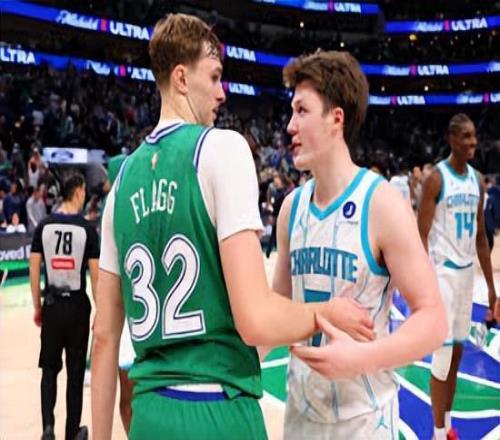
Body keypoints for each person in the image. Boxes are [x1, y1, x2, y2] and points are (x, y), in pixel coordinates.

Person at [91, 14, 373, 440]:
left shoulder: (121, 181)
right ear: (181, 78)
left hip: (149, 414)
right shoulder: (223, 149)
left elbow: (104, 337)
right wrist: (322, 313)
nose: (223, 92)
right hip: (217, 407)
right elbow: (254, 320)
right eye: (215, 76)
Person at [271, 50, 447, 439]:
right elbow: (276, 315)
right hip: (299, 416)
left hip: (365, 421)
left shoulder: (382, 203)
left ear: (336, 118)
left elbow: (434, 318)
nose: (290, 126)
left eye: (302, 111)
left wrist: (361, 358)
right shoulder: (290, 208)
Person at [418, 113, 499, 440]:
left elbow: (481, 237)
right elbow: (420, 236)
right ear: (452, 139)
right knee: (441, 358)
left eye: (474, 136)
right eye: (466, 136)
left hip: (466, 278)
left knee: (456, 356)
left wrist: (491, 288)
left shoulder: (477, 180)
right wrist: (422, 285)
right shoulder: (436, 179)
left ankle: (447, 424)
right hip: (442, 277)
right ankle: (438, 434)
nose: (473, 142)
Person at [30, 173, 99, 440]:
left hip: (52, 304)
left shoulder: (44, 226)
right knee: (75, 373)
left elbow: (34, 269)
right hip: (78, 307)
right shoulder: (86, 229)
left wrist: (37, 305)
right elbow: (95, 276)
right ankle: (72, 432)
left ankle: (48, 427)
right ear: (78, 191)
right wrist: (100, 311)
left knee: (48, 370)